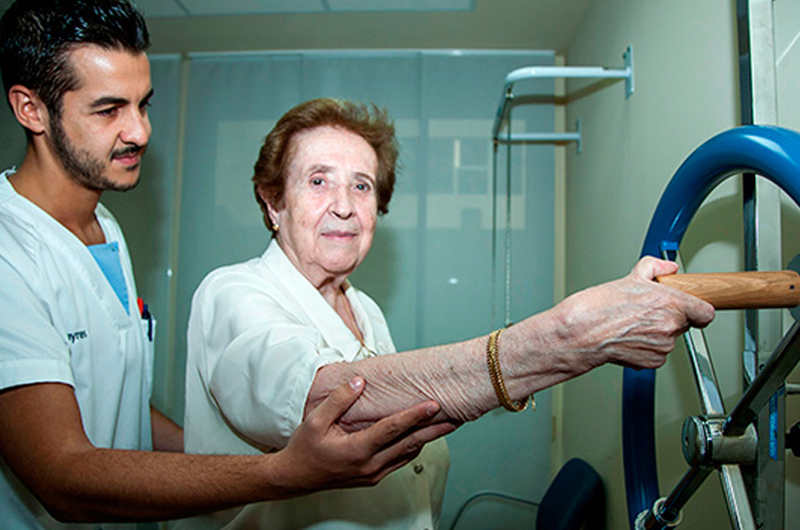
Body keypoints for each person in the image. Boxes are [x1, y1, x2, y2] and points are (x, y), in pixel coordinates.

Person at [0, 2, 457, 529]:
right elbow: (61, 475)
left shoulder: (104, 229)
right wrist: (284, 473)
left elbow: (109, 403)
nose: (140, 132)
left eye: (143, 105)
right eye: (109, 111)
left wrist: (217, 459)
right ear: (30, 108)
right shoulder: (11, 250)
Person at [181, 98, 716, 529]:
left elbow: (409, 411)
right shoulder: (233, 292)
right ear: (273, 202)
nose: (344, 204)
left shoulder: (362, 308)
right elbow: (324, 404)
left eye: (361, 185)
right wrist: (565, 338)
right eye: (318, 180)